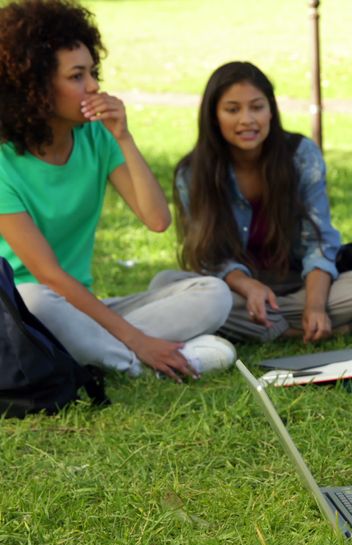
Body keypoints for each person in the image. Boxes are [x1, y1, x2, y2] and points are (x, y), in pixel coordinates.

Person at [0, 0, 234, 381]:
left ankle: (97, 353)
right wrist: (139, 341)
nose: (93, 86)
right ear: (35, 87)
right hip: (25, 314)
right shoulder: (3, 163)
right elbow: (49, 275)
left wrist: (122, 137)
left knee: (214, 293)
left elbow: (157, 219)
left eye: (92, 72)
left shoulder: (97, 137)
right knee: (35, 300)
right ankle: (137, 365)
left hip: (85, 310)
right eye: (77, 76)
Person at [166, 62, 352, 343]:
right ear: (214, 116)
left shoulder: (300, 155)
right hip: (234, 292)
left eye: (257, 107)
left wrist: (315, 305)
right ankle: (297, 331)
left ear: (271, 110)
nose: (247, 120)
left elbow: (318, 241)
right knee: (166, 285)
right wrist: (248, 286)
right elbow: (207, 258)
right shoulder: (192, 173)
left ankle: (267, 326)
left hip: (299, 284)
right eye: (232, 109)